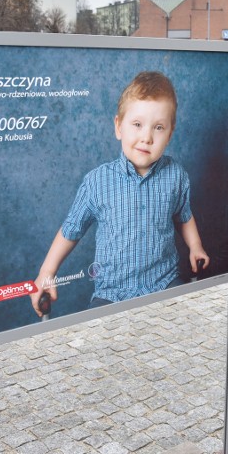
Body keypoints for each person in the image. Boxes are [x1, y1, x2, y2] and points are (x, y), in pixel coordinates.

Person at [31, 71, 209, 316]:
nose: (146, 137)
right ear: (119, 127)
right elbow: (71, 229)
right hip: (111, 294)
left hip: (164, 282)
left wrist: (196, 246)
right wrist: (47, 272)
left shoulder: (176, 176)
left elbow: (183, 215)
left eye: (158, 128)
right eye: (137, 125)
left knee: (187, 323)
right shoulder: (97, 182)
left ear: (170, 133)